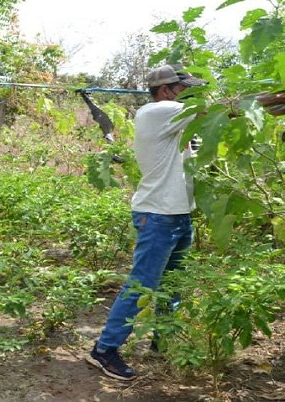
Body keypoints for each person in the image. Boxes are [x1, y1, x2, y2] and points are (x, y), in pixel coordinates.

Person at [85, 63, 206, 381]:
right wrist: (277, 98)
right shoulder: (157, 112)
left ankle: (163, 342)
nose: (191, 95)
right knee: (141, 286)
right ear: (165, 90)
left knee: (172, 285)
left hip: (179, 215)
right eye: (185, 89)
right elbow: (223, 108)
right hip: (157, 217)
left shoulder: (178, 121)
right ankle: (104, 350)